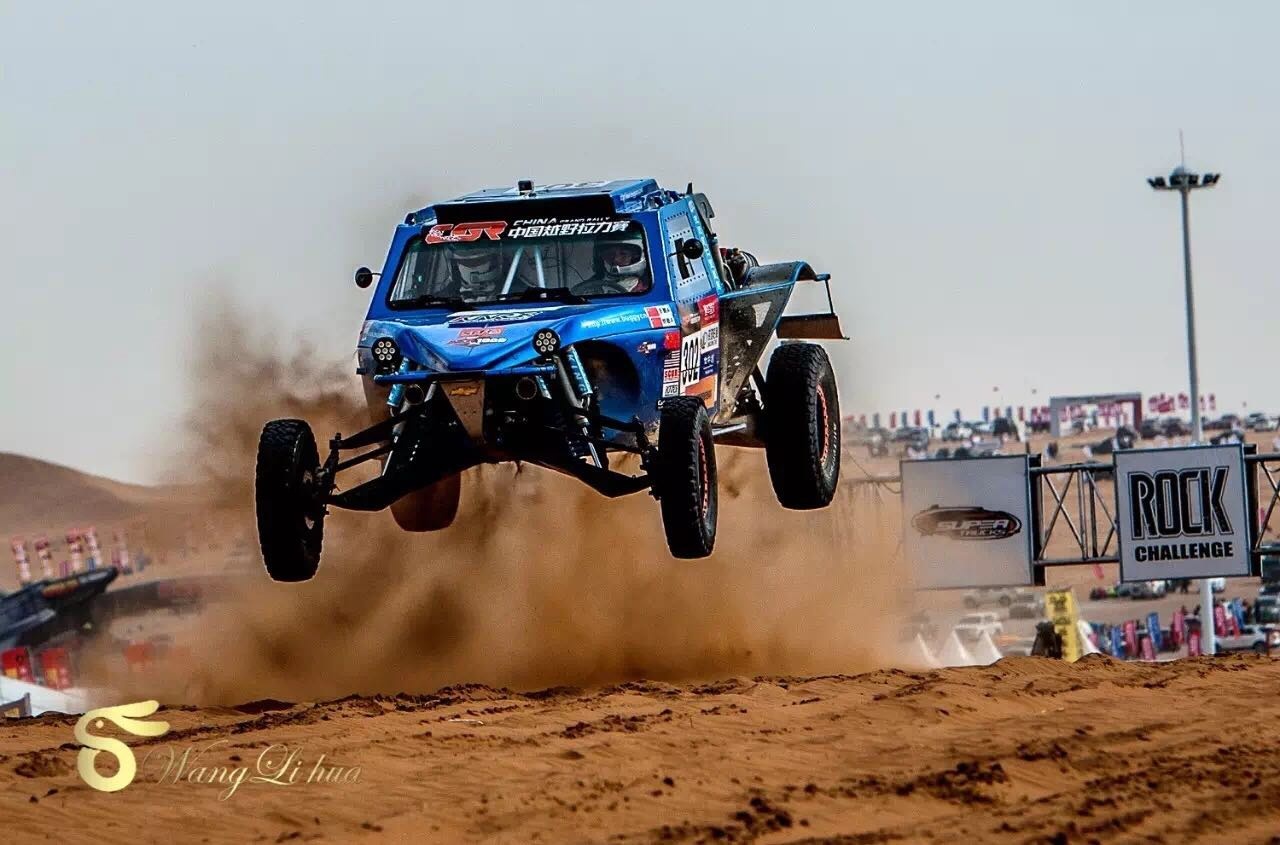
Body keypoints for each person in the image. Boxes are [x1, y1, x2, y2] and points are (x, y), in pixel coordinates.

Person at [572, 232, 649, 295]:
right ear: (601, 256)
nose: (616, 259)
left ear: (636, 256)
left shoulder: (649, 289)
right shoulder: (585, 288)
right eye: (610, 253)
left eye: (623, 254)